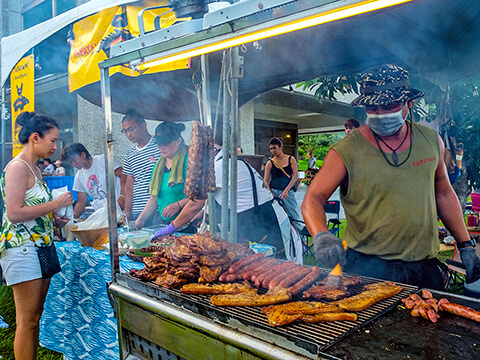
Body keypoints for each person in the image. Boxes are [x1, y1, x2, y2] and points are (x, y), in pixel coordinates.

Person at [302, 64, 480, 292]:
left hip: (423, 267)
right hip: (366, 269)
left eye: (389, 105)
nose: (380, 114)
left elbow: (443, 193)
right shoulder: (345, 151)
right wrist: (322, 235)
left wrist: (465, 244)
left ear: (409, 102)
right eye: (372, 107)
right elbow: (313, 197)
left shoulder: (430, 140)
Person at [0, 111, 74, 359]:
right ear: (35, 137)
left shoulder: (35, 170)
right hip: (21, 250)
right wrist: (55, 204)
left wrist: (54, 219)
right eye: (52, 140)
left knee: (35, 316)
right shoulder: (18, 168)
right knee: (27, 320)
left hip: (41, 247)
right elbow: (14, 213)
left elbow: (33, 210)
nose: (55, 146)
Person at [153, 141, 287, 259]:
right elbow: (218, 196)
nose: (197, 163)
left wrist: (172, 227)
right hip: (255, 220)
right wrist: (204, 212)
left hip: (265, 221)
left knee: (276, 266)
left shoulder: (220, 167)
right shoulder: (225, 162)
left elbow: (195, 204)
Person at [135, 122, 192, 231]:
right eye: (159, 143)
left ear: (178, 141)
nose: (161, 147)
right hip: (163, 223)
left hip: (186, 223)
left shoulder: (188, 162)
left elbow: (199, 197)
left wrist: (178, 205)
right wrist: (141, 218)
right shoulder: (158, 166)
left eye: (165, 143)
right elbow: (154, 197)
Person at [60, 143, 126, 218]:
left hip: (121, 210)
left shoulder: (102, 160)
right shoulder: (79, 176)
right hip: (104, 215)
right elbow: (81, 203)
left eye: (74, 160)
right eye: (70, 162)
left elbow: (124, 175)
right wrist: (71, 218)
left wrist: (122, 196)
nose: (73, 164)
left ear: (83, 155)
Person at [121, 108, 161, 225]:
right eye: (125, 131)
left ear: (143, 125)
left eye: (131, 129)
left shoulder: (160, 145)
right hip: (137, 211)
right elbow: (129, 185)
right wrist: (127, 211)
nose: (129, 135)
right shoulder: (129, 154)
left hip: (158, 210)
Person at [263, 137, 300, 221]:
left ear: (281, 147)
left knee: (294, 215)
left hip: (288, 192)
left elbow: (295, 176)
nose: (273, 151)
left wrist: (286, 190)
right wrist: (270, 193)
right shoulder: (270, 162)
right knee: (277, 217)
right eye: (271, 149)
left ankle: (299, 233)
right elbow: (265, 180)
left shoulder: (291, 159)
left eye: (275, 148)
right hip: (274, 191)